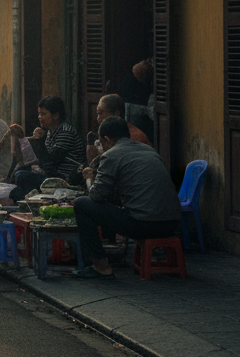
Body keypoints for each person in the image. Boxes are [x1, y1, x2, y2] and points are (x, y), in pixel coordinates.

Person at [71, 117, 182, 279]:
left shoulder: (111, 155)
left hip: (144, 224)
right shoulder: (149, 150)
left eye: (101, 143)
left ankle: (101, 266)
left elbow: (95, 196)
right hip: (172, 224)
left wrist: (89, 178)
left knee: (82, 204)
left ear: (106, 140)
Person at [9, 96, 86, 199]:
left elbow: (51, 163)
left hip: (65, 180)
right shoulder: (50, 132)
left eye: (43, 114)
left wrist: (41, 141)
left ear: (56, 115)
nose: (39, 117)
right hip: (51, 176)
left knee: (21, 176)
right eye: (39, 114)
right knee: (15, 192)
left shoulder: (65, 132)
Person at [86, 94, 152, 164]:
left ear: (116, 114)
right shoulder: (106, 133)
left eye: (101, 113)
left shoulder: (135, 137)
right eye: (97, 114)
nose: (98, 118)